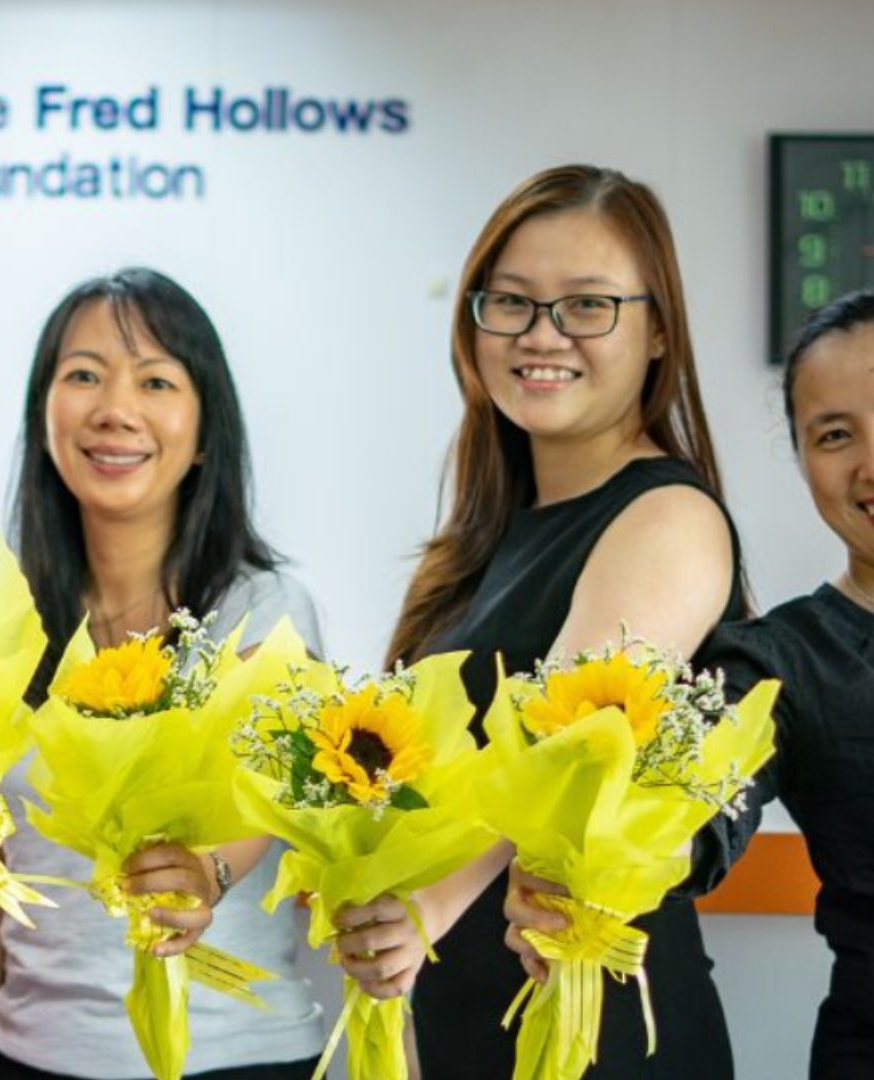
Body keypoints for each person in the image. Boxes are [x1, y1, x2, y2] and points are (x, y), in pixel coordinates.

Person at [508, 287, 874, 1080]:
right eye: (834, 434)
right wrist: (590, 871)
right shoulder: (777, 666)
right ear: (803, 462)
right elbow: (694, 814)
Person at [329, 165, 745, 1079]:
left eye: (587, 305)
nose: (541, 335)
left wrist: (426, 907)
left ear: (658, 332)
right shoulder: (485, 542)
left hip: (598, 1032)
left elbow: (560, 746)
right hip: (468, 1018)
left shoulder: (671, 517)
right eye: (510, 303)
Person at [0, 268, 329, 1080]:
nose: (116, 409)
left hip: (237, 1060)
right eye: (83, 375)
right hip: (33, 1056)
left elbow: (255, 805)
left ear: (206, 430)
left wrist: (205, 874)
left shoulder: (264, 609)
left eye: (156, 380)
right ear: (43, 411)